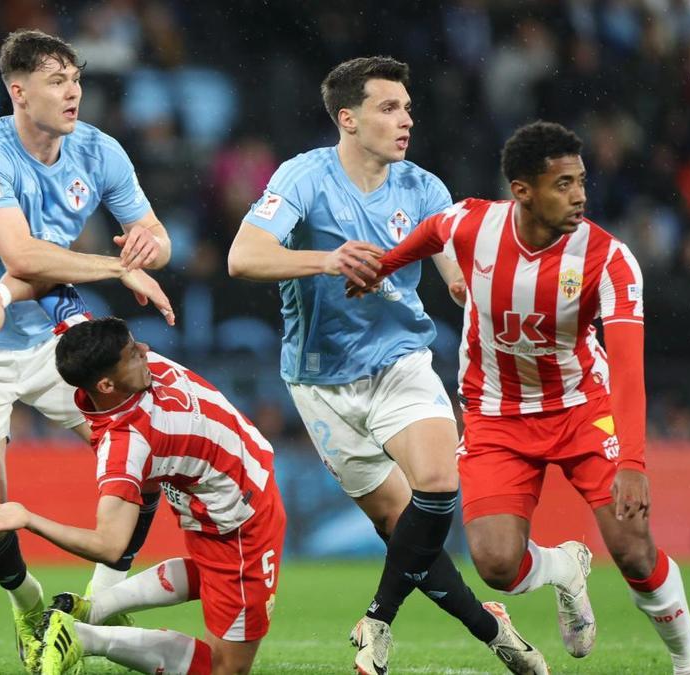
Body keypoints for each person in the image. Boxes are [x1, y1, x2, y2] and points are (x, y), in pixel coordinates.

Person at [226, 56, 545, 674]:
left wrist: (483, 289)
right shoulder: (303, 177)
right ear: (348, 118)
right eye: (389, 108)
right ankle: (493, 628)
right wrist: (328, 259)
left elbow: (457, 279)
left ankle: (377, 621)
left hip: (401, 362)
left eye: (408, 107)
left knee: (437, 486)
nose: (407, 119)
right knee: (406, 534)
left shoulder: (424, 189)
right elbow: (244, 255)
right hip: (320, 381)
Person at [358, 120, 690, 675]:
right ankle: (565, 569)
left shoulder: (609, 260)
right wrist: (386, 263)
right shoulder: (475, 223)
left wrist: (634, 461)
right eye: (563, 184)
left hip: (581, 410)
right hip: (496, 415)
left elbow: (626, 369)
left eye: (581, 181)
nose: (580, 196)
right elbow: (432, 231)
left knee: (634, 551)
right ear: (522, 191)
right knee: (497, 563)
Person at [0, 29, 173, 671]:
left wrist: (145, 246)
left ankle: (91, 610)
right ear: (19, 91)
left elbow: (156, 236)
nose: (72, 93)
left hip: (47, 339)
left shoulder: (100, 150)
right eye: (57, 81)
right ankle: (32, 605)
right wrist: (118, 268)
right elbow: (21, 255)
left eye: (76, 80)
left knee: (147, 450)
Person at [0, 316, 285, 675]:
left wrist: (124, 274)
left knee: (213, 571)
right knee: (227, 669)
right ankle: (83, 638)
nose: (147, 352)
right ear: (105, 384)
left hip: (215, 493)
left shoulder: (100, 353)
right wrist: (28, 519)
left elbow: (60, 304)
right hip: (239, 515)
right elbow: (109, 545)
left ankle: (93, 609)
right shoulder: (126, 445)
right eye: (133, 354)